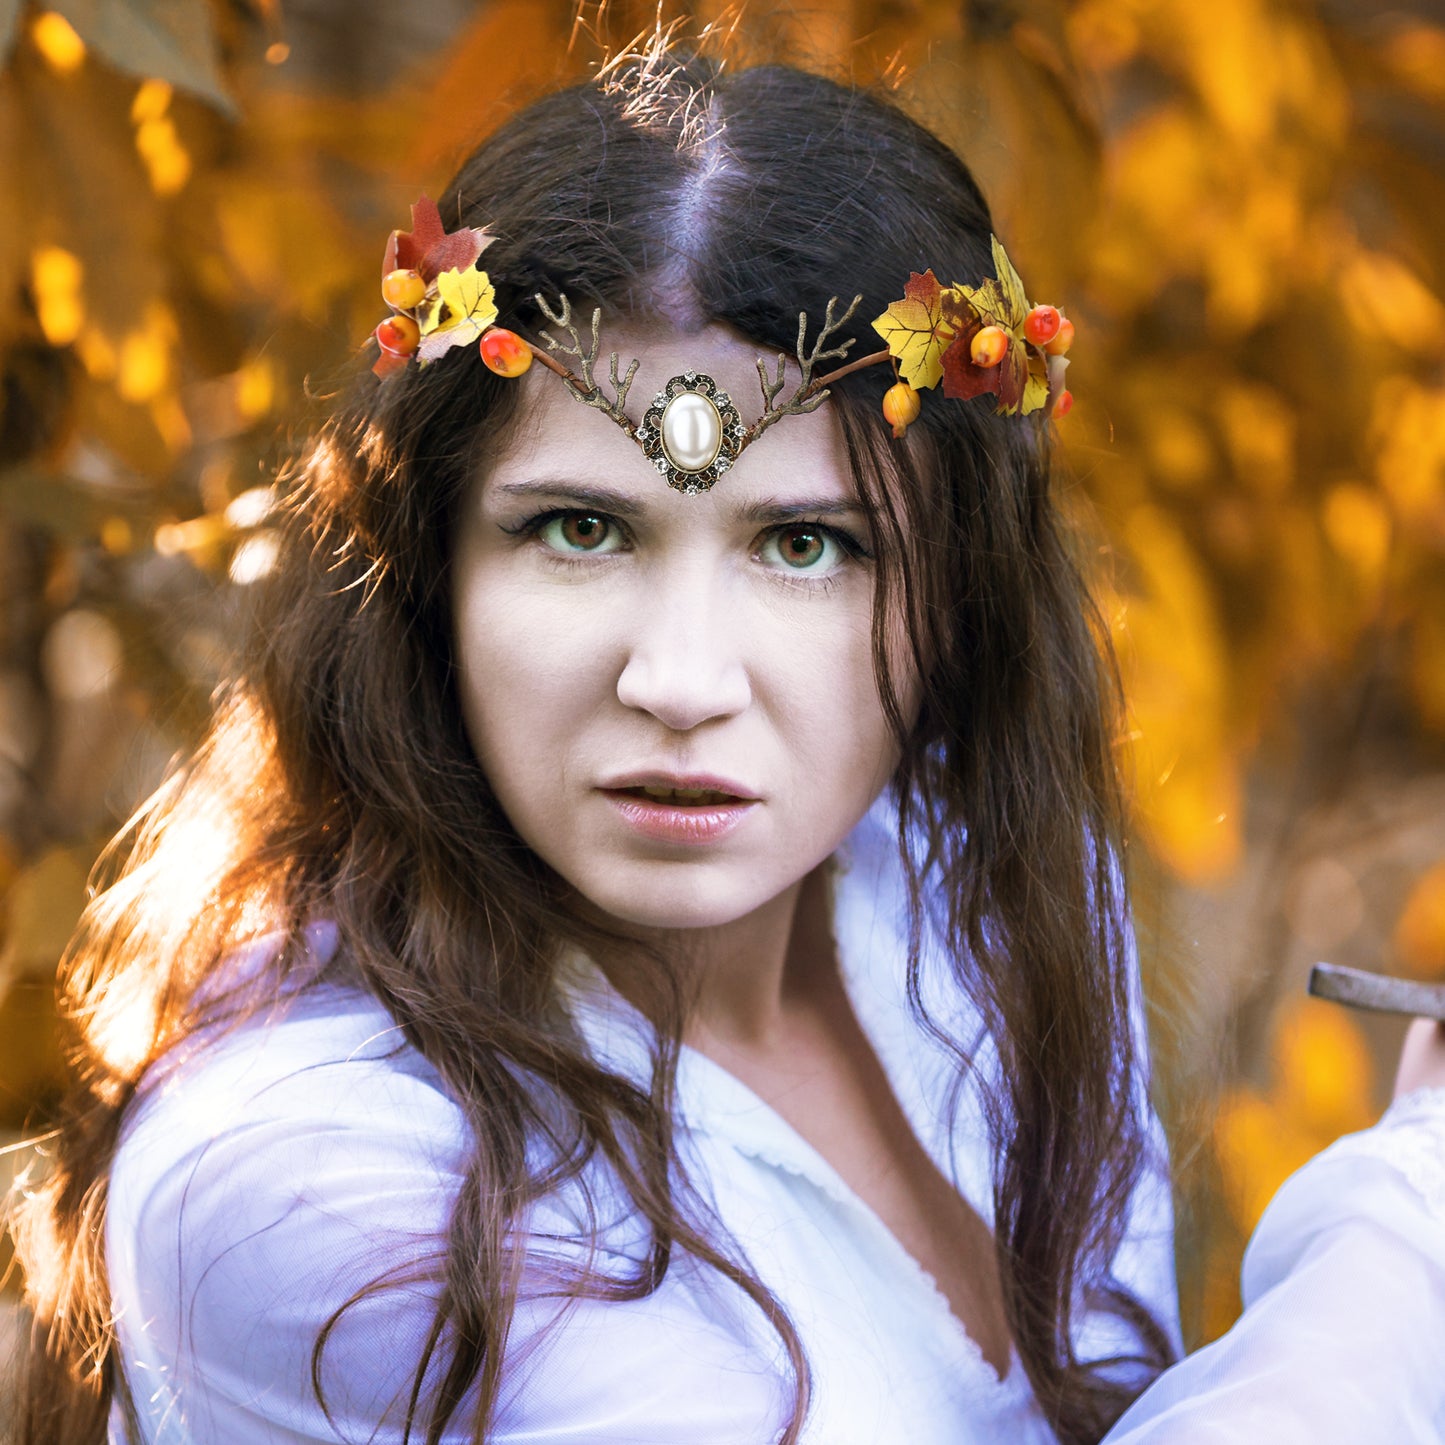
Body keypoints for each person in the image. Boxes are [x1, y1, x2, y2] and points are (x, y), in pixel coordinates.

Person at [13, 49, 1445, 1445]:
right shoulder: (307, 1171)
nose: (682, 680)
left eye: (806, 544)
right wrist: (1412, 1215)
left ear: (958, 591)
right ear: (425, 568)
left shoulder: (974, 904)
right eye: (578, 529)